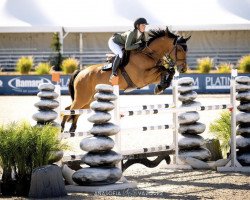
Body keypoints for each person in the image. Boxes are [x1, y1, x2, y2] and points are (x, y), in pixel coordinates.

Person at [108, 17, 149, 83]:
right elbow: (127, 47)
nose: (144, 27)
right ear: (137, 26)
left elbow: (144, 44)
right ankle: (114, 73)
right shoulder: (131, 33)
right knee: (120, 54)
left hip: (122, 44)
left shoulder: (142, 34)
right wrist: (138, 45)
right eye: (142, 25)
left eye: (145, 25)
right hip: (114, 42)